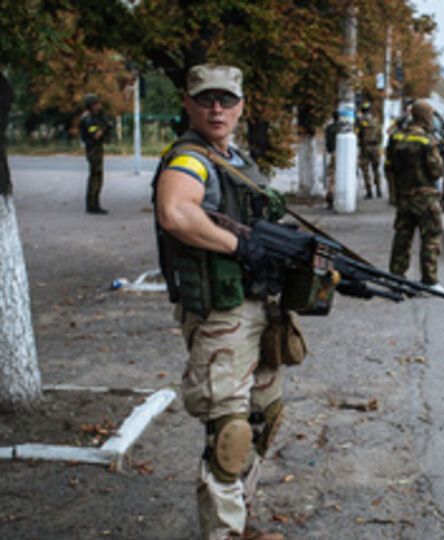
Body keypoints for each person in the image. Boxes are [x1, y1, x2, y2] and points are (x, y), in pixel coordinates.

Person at [152, 64, 286, 540]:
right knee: (228, 433)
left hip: (257, 308)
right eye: (206, 98)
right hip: (220, 314)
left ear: (241, 106)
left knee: (261, 417)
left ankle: (239, 522)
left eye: (226, 100)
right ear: (187, 103)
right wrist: (240, 247)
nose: (217, 108)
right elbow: (175, 211)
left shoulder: (237, 160)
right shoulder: (191, 159)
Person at [386, 100, 444, 295]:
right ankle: (429, 281)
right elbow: (436, 172)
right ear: (426, 117)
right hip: (426, 198)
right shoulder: (427, 141)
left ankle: (396, 278)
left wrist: (394, 193)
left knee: (402, 238)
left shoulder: (396, 138)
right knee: (430, 239)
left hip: (404, 197)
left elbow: (389, 167)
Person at [79, 94, 112, 214]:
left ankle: (94, 203)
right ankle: (92, 204)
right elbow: (96, 134)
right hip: (93, 149)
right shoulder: (88, 119)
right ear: (91, 105)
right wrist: (104, 126)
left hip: (96, 148)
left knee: (97, 176)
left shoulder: (94, 117)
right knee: (95, 176)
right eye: (97, 104)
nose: (99, 106)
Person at [355, 101, 383, 199]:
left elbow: (357, 134)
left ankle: (369, 191)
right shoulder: (376, 120)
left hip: (365, 148)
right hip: (375, 147)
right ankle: (379, 189)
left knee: (365, 169)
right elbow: (380, 134)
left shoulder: (360, 121)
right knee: (376, 169)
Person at [323, 111, 340, 209]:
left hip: (333, 152)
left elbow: (328, 143)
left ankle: (330, 196)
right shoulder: (344, 128)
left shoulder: (329, 128)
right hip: (345, 154)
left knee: (332, 176)